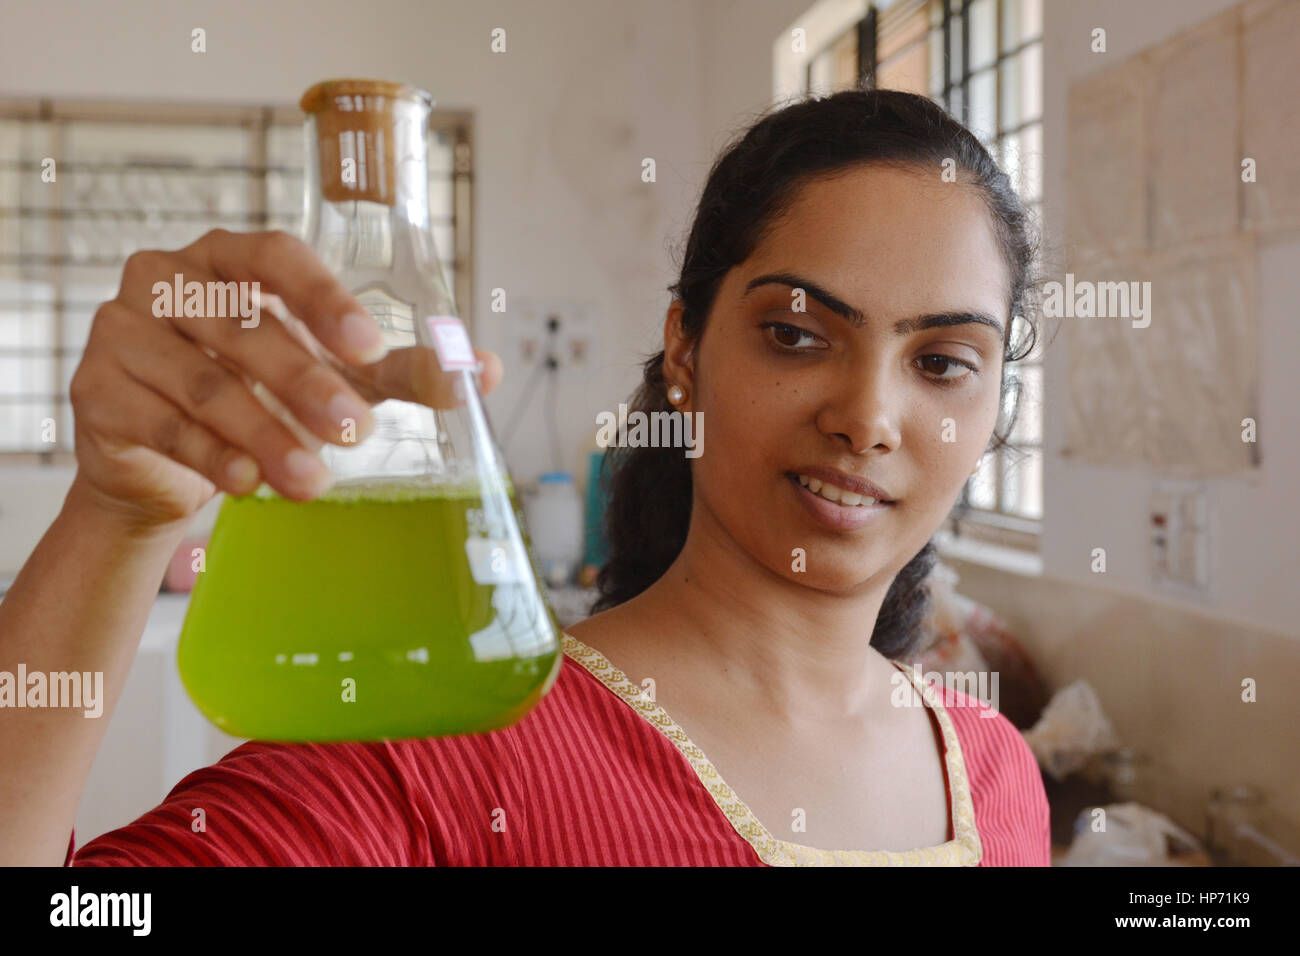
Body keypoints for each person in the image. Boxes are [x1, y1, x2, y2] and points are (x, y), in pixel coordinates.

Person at [0, 88, 1049, 867]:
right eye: (793, 333)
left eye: (943, 361)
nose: (866, 416)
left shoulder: (994, 770)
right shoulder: (443, 748)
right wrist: (113, 515)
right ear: (684, 351)